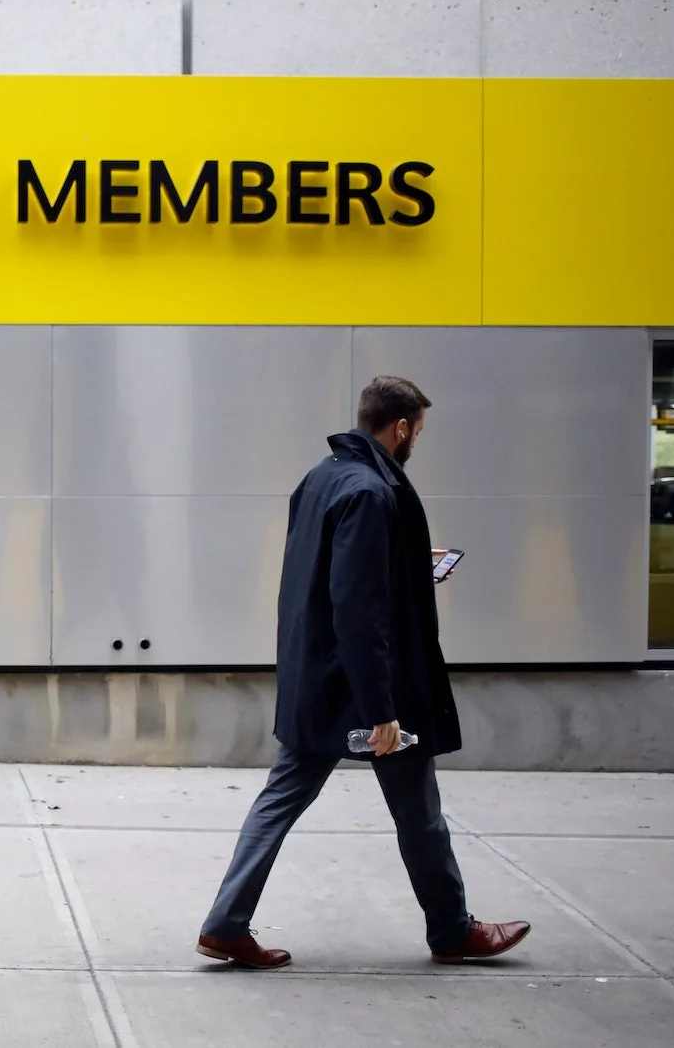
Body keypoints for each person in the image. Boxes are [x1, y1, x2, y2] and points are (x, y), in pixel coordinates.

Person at [195, 376, 530, 970]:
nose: (415, 443)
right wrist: (381, 711)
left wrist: (408, 564)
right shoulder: (372, 492)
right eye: (417, 432)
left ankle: (224, 925)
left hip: (316, 678)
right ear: (400, 427)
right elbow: (356, 606)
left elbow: (331, 573)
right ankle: (452, 931)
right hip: (365, 686)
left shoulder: (323, 477)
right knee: (419, 812)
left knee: (282, 800)